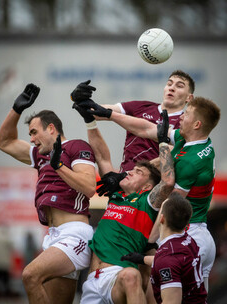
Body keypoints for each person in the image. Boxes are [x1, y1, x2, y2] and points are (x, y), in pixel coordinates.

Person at [79, 95, 220, 291]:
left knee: (171, 297)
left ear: (197, 124)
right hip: (198, 233)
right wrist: (110, 114)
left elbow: (169, 205)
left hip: (189, 236)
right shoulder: (198, 142)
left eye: (186, 114)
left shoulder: (190, 161)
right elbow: (146, 128)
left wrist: (149, 244)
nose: (180, 117)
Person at [0, 84, 97, 304]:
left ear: (51, 128)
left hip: (75, 235)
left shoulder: (76, 146)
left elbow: (90, 187)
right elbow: (4, 142)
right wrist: (16, 109)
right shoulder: (40, 155)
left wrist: (59, 165)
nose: (31, 139)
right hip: (53, 236)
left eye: (34, 132)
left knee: (30, 275)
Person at [72, 104, 175, 303]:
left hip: (117, 277)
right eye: (132, 170)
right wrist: (89, 120)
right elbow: (102, 156)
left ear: (148, 187)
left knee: (132, 275)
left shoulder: (148, 201)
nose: (129, 172)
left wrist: (162, 142)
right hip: (92, 281)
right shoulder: (116, 194)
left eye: (138, 173)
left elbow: (168, 181)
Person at [71, 70, 195, 173]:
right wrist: (77, 98)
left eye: (179, 86)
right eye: (169, 84)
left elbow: (176, 154)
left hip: (153, 188)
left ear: (189, 97)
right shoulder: (141, 107)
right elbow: (96, 112)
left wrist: (137, 173)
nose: (172, 88)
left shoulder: (186, 123)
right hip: (124, 181)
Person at [121, 192, 208, 304]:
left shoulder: (168, 259)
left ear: (161, 218)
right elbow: (176, 263)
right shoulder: (188, 240)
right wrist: (142, 259)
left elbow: (172, 301)